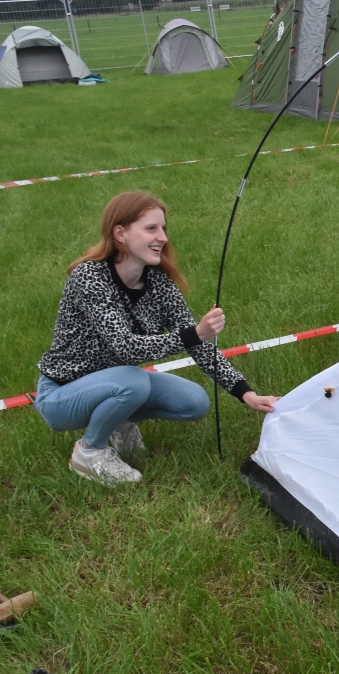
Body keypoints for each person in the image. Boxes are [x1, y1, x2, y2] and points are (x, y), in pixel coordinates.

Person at [33, 192, 279, 486]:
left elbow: (198, 346)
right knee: (133, 380)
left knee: (194, 402)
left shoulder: (160, 283)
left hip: (116, 382)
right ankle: (89, 452)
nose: (162, 237)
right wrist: (195, 333)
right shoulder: (91, 277)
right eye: (151, 228)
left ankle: (119, 421)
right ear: (120, 234)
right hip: (61, 396)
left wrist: (245, 393)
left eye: (163, 229)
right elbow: (125, 348)